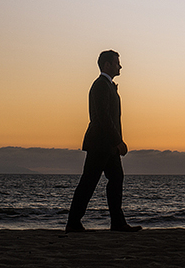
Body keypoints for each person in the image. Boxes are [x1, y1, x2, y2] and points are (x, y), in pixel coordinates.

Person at [66, 50, 141, 232]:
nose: (120, 66)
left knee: (115, 179)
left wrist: (116, 142)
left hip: (108, 146)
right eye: (117, 62)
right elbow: (103, 117)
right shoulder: (100, 85)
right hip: (100, 144)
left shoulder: (107, 86)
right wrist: (118, 141)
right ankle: (74, 222)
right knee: (89, 182)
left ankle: (117, 222)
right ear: (107, 65)